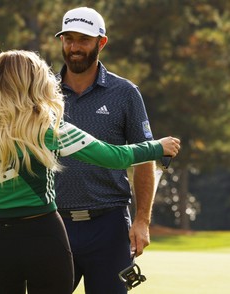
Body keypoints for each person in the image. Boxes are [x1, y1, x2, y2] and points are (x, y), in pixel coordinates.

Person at [0, 50, 180, 294]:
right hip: (45, 235)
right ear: (34, 83)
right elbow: (114, 157)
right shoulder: (49, 128)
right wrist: (157, 147)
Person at [54, 7, 161, 293]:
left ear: (101, 43)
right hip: (54, 224)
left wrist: (142, 220)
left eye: (83, 40)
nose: (74, 47)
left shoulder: (125, 93)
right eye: (68, 39)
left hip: (109, 226)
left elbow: (146, 157)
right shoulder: (42, 93)